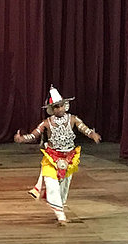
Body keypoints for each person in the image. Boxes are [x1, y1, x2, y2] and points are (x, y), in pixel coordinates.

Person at [14, 85, 101, 225]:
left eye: (61, 106)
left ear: (65, 106)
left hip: (69, 158)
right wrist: (22, 139)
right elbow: (34, 135)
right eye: (56, 107)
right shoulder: (47, 123)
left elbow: (84, 129)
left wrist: (92, 134)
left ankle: (59, 208)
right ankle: (61, 216)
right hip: (51, 158)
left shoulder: (73, 119)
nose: (59, 109)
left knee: (63, 188)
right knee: (52, 186)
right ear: (52, 109)